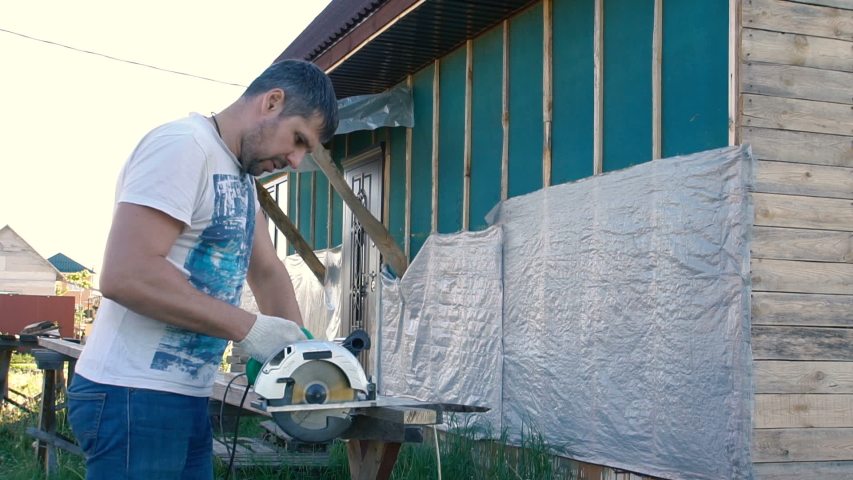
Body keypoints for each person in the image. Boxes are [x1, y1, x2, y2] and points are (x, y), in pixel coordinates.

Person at [67, 60, 339, 479]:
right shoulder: (182, 146)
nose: (296, 161)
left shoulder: (241, 179)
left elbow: (267, 271)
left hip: (188, 395)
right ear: (272, 102)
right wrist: (250, 328)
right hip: (131, 393)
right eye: (298, 139)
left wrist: (299, 361)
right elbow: (127, 274)